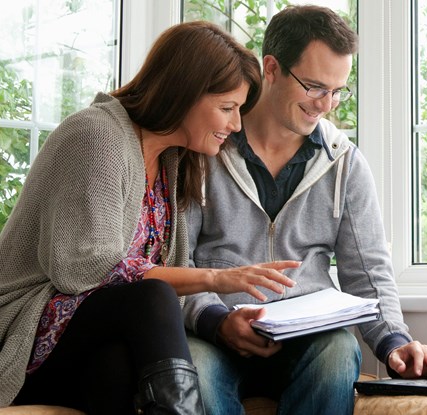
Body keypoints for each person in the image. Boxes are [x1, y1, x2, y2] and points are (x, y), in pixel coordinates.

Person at [0, 21, 299, 415]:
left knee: (118, 370)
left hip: (87, 345)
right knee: (153, 296)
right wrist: (213, 278)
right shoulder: (96, 134)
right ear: (184, 93)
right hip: (24, 332)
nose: (236, 124)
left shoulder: (173, 162)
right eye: (227, 108)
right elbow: (83, 268)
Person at [183, 6, 427, 415]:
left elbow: (369, 272)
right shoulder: (206, 149)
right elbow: (174, 261)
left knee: (339, 350)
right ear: (271, 67)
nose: (327, 105)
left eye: (338, 90)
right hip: (216, 334)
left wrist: (396, 341)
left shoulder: (345, 162)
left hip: (309, 340)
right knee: (193, 366)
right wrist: (215, 320)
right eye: (315, 87)